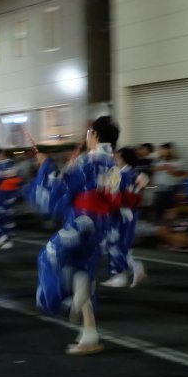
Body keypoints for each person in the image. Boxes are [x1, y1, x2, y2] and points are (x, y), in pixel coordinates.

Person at [36, 116, 123, 355]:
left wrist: (45, 166)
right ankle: (89, 333)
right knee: (82, 270)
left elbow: (58, 189)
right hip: (102, 226)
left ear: (94, 135)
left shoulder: (88, 161)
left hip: (82, 222)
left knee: (48, 258)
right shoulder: (114, 165)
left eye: (88, 133)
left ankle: (60, 302)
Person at [100, 146, 148, 288]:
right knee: (122, 245)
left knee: (115, 243)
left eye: (118, 155)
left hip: (119, 212)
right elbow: (137, 194)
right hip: (131, 212)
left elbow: (112, 195)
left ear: (123, 158)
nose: (115, 157)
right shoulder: (135, 173)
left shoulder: (118, 174)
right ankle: (134, 268)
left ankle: (120, 275)